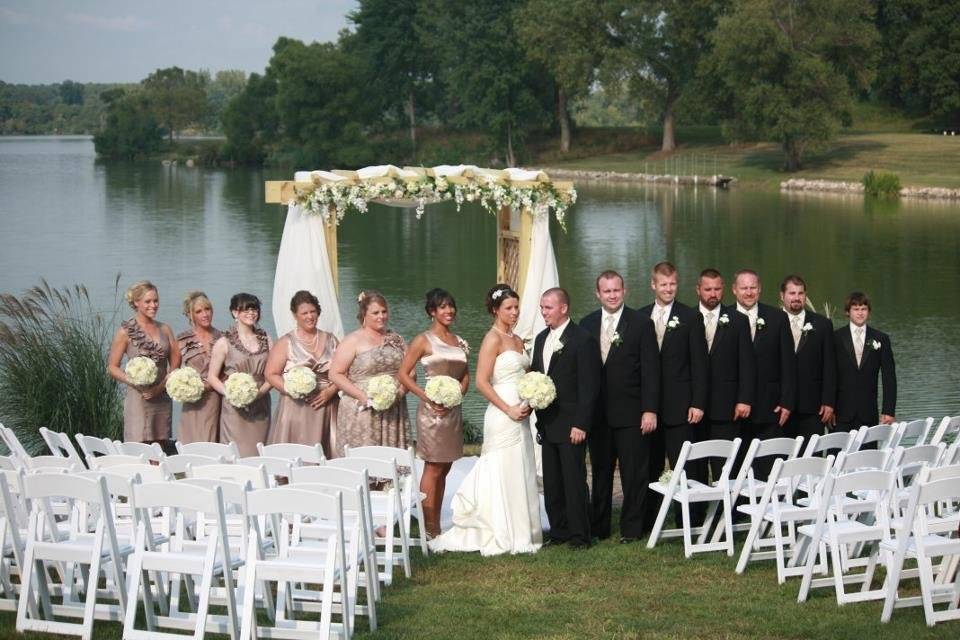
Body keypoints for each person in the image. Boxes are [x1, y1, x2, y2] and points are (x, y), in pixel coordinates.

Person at [429, 284, 542, 555]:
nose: (514, 312)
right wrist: (508, 408)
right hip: (503, 413)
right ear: (495, 310)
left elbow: (523, 373)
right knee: (501, 467)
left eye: (516, 307)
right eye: (509, 308)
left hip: (522, 412)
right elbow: (481, 381)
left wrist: (533, 390)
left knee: (521, 466)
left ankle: (522, 530)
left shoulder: (517, 339)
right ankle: (499, 530)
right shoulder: (492, 338)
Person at [579, 270, 659, 542]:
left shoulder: (640, 323)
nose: (612, 295)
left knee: (634, 473)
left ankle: (632, 530)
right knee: (600, 471)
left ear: (624, 291)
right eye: (607, 291)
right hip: (598, 415)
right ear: (598, 294)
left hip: (632, 413)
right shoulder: (587, 324)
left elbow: (651, 371)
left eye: (616, 290)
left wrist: (650, 409)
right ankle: (599, 527)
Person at [639, 262, 708, 527]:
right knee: (650, 465)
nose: (668, 289)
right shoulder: (641, 316)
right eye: (663, 284)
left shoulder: (690, 317)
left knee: (684, 466)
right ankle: (650, 520)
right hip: (649, 408)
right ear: (653, 285)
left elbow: (700, 364)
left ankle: (689, 521)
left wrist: (698, 402)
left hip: (681, 407)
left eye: (673, 284)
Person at [531, 287, 601, 548]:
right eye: (541, 307)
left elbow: (589, 386)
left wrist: (581, 423)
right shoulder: (540, 339)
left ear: (563, 308)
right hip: (548, 423)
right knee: (552, 482)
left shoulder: (582, 340)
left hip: (572, 424)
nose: (543, 312)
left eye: (548, 307)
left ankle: (580, 535)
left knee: (574, 481)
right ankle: (559, 532)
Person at [398, 288, 470, 540]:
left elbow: (465, 376)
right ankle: (429, 528)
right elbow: (403, 374)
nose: (449, 311)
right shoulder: (423, 340)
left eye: (451, 306)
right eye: (443, 307)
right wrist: (427, 396)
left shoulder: (459, 341)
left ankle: (436, 522)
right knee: (433, 467)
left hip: (452, 410)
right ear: (432, 311)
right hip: (432, 413)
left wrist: (456, 395)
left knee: (446, 466)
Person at [329, 290, 410, 457]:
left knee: (391, 462)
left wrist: (398, 394)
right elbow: (335, 374)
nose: (381, 316)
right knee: (364, 461)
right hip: (362, 410)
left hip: (393, 409)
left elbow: (410, 372)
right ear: (364, 315)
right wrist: (362, 396)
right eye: (375, 313)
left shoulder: (397, 340)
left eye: (384, 311)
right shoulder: (352, 340)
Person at [733, 269, 795, 478]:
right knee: (737, 465)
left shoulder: (778, 318)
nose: (748, 292)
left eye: (753, 288)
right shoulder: (725, 318)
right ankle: (738, 510)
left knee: (768, 467)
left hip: (770, 405)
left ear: (759, 290)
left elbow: (788, 363)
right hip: (733, 406)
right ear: (734, 290)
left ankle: (768, 507)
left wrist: (787, 401)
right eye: (744, 288)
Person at [265, 290, 339, 457]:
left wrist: (330, 391)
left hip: (326, 405)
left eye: (313, 312)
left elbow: (344, 371)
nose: (309, 316)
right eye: (304, 313)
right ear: (295, 315)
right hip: (295, 408)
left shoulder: (331, 340)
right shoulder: (286, 342)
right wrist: (292, 389)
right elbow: (271, 374)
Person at [696, 269, 754, 481]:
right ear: (698, 290)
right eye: (708, 289)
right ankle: (697, 512)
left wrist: (744, 399)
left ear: (724, 290)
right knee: (697, 463)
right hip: (694, 407)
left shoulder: (738, 321)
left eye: (717, 289)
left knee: (726, 463)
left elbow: (747, 364)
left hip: (728, 404)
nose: (713, 294)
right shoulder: (687, 318)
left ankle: (727, 511)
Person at [107, 280, 180, 445]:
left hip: (161, 396)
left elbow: (176, 362)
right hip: (139, 398)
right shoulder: (125, 332)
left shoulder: (165, 329)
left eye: (156, 301)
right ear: (136, 302)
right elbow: (112, 367)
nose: (153, 305)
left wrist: (160, 387)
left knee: (161, 445)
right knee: (140, 445)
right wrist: (133, 380)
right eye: (148, 301)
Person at [208, 293, 272, 457]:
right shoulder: (223, 343)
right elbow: (212, 377)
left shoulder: (267, 340)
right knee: (236, 453)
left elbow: (273, 373)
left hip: (261, 404)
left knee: (260, 451)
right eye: (247, 309)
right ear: (235, 313)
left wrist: (260, 393)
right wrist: (230, 393)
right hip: (235, 408)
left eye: (255, 309)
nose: (252, 313)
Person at [780, 275, 836, 444]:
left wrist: (828, 401)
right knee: (780, 459)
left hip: (813, 407)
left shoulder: (822, 324)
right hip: (779, 406)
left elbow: (830, 366)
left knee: (812, 459)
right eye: (792, 293)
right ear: (782, 296)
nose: (796, 297)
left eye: (800, 293)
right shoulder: (770, 321)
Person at [833, 291, 896, 431]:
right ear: (847, 312)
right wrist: (829, 406)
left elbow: (889, 377)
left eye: (863, 309)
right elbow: (829, 375)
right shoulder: (835, 338)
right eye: (855, 309)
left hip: (868, 412)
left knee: (869, 452)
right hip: (840, 413)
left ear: (869, 312)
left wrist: (889, 410)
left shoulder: (881, 339)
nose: (860, 313)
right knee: (837, 452)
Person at [176, 291, 222, 444]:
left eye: (207, 309)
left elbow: (230, 371)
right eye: (199, 311)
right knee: (191, 443)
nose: (205, 314)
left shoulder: (223, 338)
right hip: (192, 401)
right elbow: (175, 372)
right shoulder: (182, 340)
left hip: (216, 400)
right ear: (191, 315)